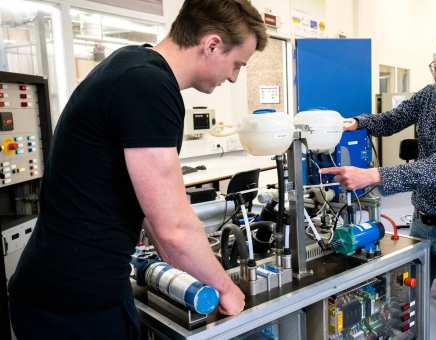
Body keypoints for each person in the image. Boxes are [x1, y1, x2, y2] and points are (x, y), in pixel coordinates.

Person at [8, 1, 267, 339]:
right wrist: (226, 289)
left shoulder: (131, 65)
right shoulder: (149, 86)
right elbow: (172, 227)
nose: (233, 78)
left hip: (73, 288)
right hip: (75, 304)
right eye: (237, 64)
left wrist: (194, 270)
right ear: (212, 44)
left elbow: (153, 215)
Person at [322, 27, 436, 340]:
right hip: (422, 225)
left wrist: (375, 175)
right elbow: (391, 119)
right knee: (403, 310)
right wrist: (354, 123)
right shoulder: (429, 96)